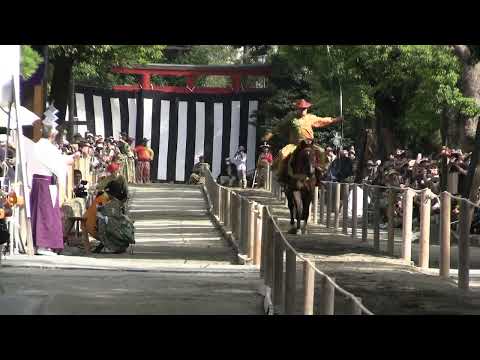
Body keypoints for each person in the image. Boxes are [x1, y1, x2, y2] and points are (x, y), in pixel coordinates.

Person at [29, 106, 80, 256]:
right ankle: (43, 245)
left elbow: (57, 161)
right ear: (52, 133)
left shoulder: (39, 146)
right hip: (45, 182)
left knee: (44, 213)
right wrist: (71, 158)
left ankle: (43, 244)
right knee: (47, 214)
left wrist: (69, 159)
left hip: (40, 181)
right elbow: (58, 163)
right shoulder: (46, 147)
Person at [271, 99, 342, 184]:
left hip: (309, 143)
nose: (302, 110)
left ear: (307, 109)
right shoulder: (291, 117)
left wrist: (335, 120)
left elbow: (322, 120)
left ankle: (322, 173)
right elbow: (281, 125)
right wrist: (274, 132)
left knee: (322, 152)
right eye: (300, 108)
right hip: (295, 144)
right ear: (297, 109)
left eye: (304, 109)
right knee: (282, 154)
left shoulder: (310, 117)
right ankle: (281, 175)